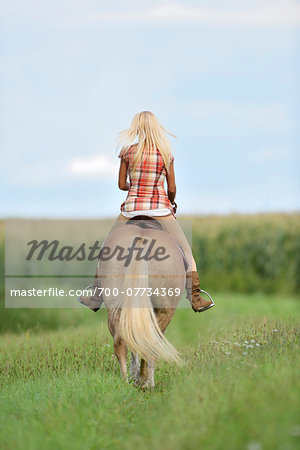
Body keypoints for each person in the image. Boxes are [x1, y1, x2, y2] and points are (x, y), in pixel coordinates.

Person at [79, 111, 214, 313]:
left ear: (137, 128)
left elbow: (121, 184)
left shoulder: (127, 152)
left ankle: (96, 295)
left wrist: (134, 187)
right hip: (160, 210)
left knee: (106, 250)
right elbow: (172, 188)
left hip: (132, 210)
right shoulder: (166, 154)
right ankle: (195, 297)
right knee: (187, 252)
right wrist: (171, 200)